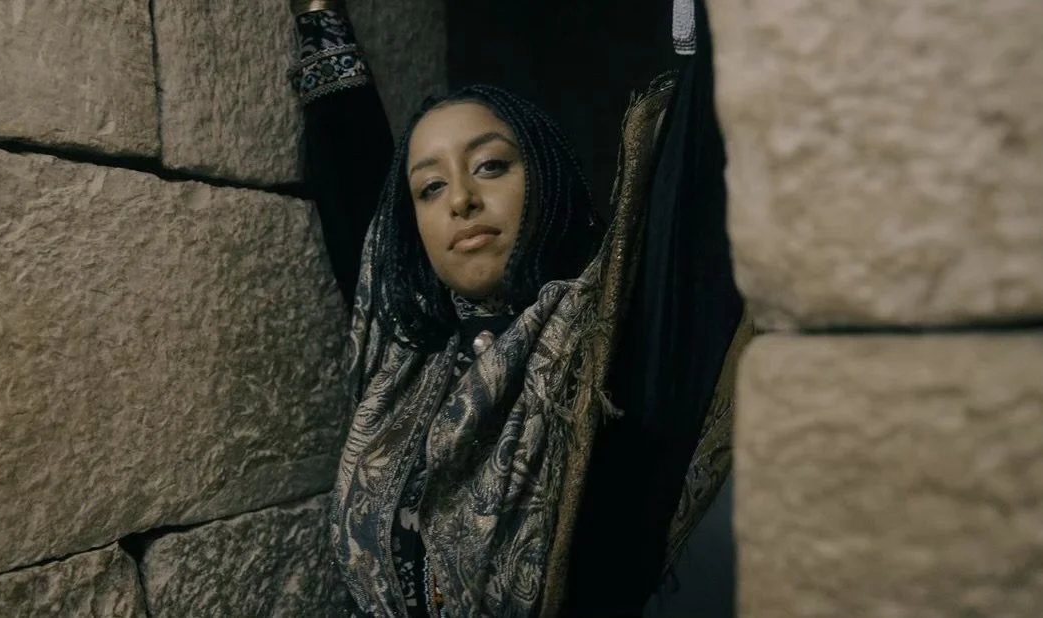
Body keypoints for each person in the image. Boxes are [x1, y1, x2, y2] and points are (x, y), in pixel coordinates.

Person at [286, 1, 749, 616]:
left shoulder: (608, 349)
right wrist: (318, 13)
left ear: (547, 175)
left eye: (490, 166)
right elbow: (353, 179)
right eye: (431, 187)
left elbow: (691, 183)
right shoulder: (402, 362)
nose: (462, 199)